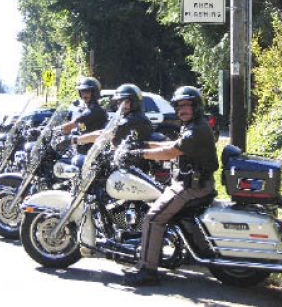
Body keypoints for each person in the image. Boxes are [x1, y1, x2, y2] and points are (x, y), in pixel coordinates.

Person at [122, 85, 219, 286]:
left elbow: (170, 152)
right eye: (179, 106)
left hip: (192, 186)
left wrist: (139, 154)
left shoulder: (197, 131)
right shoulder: (192, 126)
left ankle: (148, 270)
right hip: (189, 181)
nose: (182, 109)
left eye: (187, 105)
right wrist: (142, 145)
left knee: (153, 218)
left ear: (196, 107)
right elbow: (170, 146)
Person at [70, 83, 152, 148]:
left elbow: (104, 134)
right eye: (119, 102)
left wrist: (75, 139)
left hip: (138, 164)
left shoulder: (134, 118)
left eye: (126, 102)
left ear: (134, 102)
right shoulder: (131, 116)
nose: (121, 106)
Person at [60, 76, 108, 154]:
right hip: (85, 151)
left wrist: (54, 130)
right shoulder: (90, 109)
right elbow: (82, 127)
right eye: (82, 91)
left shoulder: (93, 110)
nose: (84, 95)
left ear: (94, 92)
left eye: (87, 91)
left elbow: (72, 125)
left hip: (91, 154)